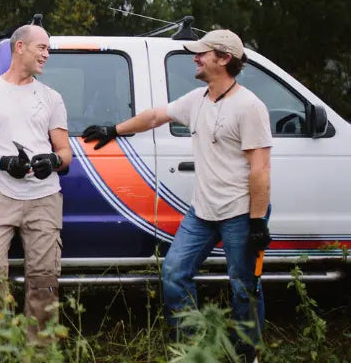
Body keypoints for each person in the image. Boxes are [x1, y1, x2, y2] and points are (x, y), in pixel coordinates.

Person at [82, 29, 272, 361]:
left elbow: (260, 168)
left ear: (224, 59)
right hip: (202, 212)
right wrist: (114, 129)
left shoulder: (249, 107)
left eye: (202, 53)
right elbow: (156, 116)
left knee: (244, 287)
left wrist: (257, 221)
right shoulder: (198, 99)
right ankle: (194, 346)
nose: (195, 58)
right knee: (173, 272)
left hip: (240, 213)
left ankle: (247, 352)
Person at [0, 24, 72, 341]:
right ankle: (3, 340)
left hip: (45, 197)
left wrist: (51, 161)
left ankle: (37, 349)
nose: (47, 54)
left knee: (44, 278)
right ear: (20, 47)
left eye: (48, 49)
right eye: (42, 47)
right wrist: (5, 162)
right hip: (1, 194)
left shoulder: (52, 98)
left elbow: (65, 153)